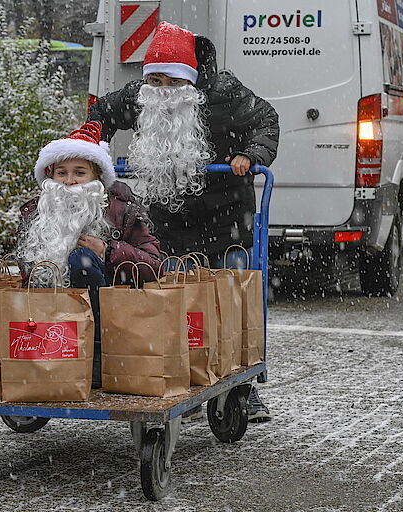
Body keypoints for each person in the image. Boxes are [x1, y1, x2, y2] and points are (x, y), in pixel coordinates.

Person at [88, 21, 278, 422]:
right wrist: (94, 149)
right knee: (172, 301)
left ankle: (240, 385)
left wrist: (250, 154)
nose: (162, 89)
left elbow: (266, 120)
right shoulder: (139, 96)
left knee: (230, 299)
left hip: (226, 217)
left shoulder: (224, 93)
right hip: (168, 219)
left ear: (189, 80)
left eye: (172, 81)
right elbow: (100, 112)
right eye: (154, 80)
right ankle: (178, 375)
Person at [15, 120, 162, 387]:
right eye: (61, 172)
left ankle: (95, 355)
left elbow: (154, 266)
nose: (69, 181)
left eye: (79, 172)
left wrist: (108, 251)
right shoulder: (35, 213)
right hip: (47, 317)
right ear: (50, 176)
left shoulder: (122, 209)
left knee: (80, 260)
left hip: (109, 318)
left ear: (97, 177)